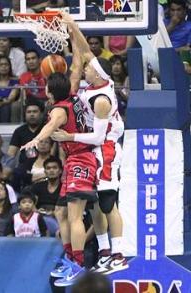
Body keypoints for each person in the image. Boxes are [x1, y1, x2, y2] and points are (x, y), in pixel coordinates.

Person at [53, 13, 128, 276]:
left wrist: (68, 138)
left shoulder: (102, 100)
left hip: (105, 149)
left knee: (108, 203)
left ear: (97, 73)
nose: (84, 68)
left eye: (88, 68)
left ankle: (119, 255)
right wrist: (72, 26)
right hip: (94, 153)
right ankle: (105, 252)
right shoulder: (100, 78)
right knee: (95, 205)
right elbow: (84, 52)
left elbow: (97, 137)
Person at [22, 72, 98, 286]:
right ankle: (69, 256)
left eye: (46, 85)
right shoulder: (71, 96)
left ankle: (78, 263)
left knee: (75, 216)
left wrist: (36, 139)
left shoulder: (59, 109)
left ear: (50, 90)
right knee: (60, 211)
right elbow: (74, 70)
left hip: (81, 159)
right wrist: (74, 38)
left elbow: (51, 124)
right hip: (76, 160)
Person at [7, 101, 45, 165]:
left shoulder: (47, 129)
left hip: (44, 166)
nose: (32, 114)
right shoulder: (19, 131)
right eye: (29, 112)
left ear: (41, 114)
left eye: (35, 112)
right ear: (25, 114)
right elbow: (11, 154)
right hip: (24, 167)